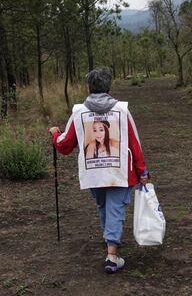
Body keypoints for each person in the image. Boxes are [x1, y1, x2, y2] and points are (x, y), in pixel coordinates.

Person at [49, 67, 149, 274]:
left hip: (94, 173)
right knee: (115, 208)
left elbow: (64, 145)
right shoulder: (122, 110)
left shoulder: (79, 112)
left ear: (88, 87)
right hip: (120, 171)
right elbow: (134, 143)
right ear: (109, 87)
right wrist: (143, 171)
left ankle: (110, 243)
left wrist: (55, 133)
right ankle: (112, 255)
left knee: (105, 207)